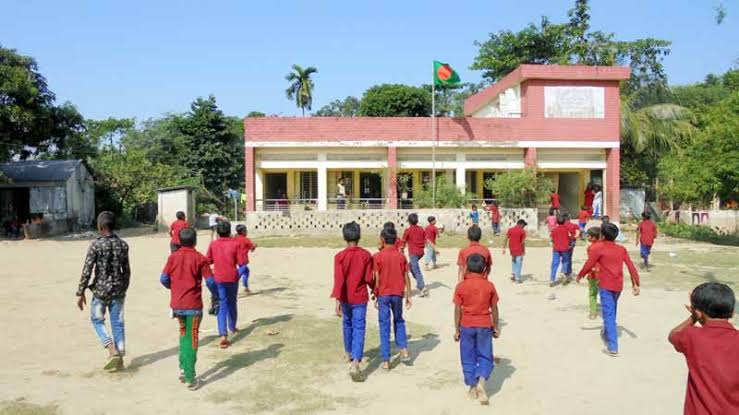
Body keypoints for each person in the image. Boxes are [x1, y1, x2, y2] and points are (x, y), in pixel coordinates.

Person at [159, 228, 217, 390]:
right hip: (193, 305)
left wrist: (174, 288)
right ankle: (190, 376)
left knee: (184, 334)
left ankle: (184, 368)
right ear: (195, 241)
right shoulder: (200, 258)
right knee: (192, 337)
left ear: (179, 241)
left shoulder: (173, 257)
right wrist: (217, 295)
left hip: (177, 304)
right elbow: (211, 282)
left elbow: (163, 278)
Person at [668, 283, 738, 414]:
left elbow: (673, 335)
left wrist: (693, 317)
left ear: (698, 312)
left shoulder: (693, 336)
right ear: (732, 313)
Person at [76, 211, 130, 371]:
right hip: (118, 290)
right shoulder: (123, 245)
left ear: (100, 227)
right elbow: (126, 271)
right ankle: (120, 359)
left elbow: (87, 270)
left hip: (100, 291)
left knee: (97, 320)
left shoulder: (96, 245)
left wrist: (80, 292)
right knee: (118, 324)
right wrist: (123, 288)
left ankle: (111, 349)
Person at [576, 223, 640, 356]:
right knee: (611, 309)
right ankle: (606, 333)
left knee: (609, 313)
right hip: (618, 286)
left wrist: (580, 275)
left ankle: (612, 346)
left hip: (605, 285)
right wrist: (636, 283)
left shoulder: (599, 249)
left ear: (602, 235)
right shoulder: (621, 249)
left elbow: (589, 264)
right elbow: (631, 266)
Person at [453, 254, 500, 406]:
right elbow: (494, 308)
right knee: (485, 354)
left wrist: (457, 329)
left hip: (466, 325)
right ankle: (481, 382)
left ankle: (472, 387)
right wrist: (496, 326)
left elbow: (457, 310)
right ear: (484, 269)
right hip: (484, 324)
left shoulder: (461, 286)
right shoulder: (489, 286)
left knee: (467, 356)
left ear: (466, 268)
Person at [331, 222, 374, 381]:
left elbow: (339, 280)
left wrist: (337, 300)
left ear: (344, 237)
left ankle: (348, 352)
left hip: (345, 297)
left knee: (347, 324)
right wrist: (375, 290)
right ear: (359, 236)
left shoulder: (339, 257)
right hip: (360, 297)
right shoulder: (366, 255)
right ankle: (355, 362)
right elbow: (369, 278)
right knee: (359, 327)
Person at [373, 227, 412, 370]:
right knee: (399, 320)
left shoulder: (377, 256)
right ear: (396, 240)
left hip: (383, 294)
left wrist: (375, 294)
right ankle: (403, 349)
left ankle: (386, 360)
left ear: (382, 239)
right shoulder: (401, 256)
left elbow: (376, 278)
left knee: (384, 324)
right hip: (397, 293)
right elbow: (406, 276)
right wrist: (408, 295)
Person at [206, 220, 247, 349]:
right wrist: (237, 275)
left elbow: (208, 261)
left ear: (218, 232)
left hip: (218, 278)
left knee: (222, 304)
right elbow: (243, 265)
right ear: (229, 231)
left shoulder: (213, 244)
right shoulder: (235, 244)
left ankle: (223, 334)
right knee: (232, 303)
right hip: (232, 278)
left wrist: (211, 275)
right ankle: (232, 327)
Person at [401, 213, 428, 297]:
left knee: (416, 270)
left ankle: (422, 287)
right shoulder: (421, 229)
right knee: (410, 267)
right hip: (421, 252)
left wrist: (401, 249)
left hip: (413, 253)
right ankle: (419, 283)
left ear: (409, 221)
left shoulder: (408, 230)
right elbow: (425, 239)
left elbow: (403, 241)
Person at [581, 227, 602, 320]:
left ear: (593, 237)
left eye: (588, 236)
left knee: (592, 293)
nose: (587, 237)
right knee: (604, 293)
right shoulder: (604, 245)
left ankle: (593, 312)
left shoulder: (590, 248)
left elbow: (591, 262)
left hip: (593, 273)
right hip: (604, 273)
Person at [502, 219, 527, 283]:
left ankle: (513, 274)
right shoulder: (522, 231)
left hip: (511, 249)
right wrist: (523, 251)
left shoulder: (510, 230)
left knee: (514, 261)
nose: (524, 226)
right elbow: (523, 242)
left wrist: (504, 248)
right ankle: (517, 278)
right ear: (521, 224)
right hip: (519, 249)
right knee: (519, 263)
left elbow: (505, 239)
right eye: (524, 225)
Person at [235, 224, 257, 294]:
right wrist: (255, 246)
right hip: (243, 259)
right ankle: (233, 282)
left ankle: (246, 287)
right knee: (239, 273)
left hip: (236, 259)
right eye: (246, 230)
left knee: (246, 271)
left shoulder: (235, 238)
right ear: (243, 231)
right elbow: (252, 249)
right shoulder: (246, 240)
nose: (247, 231)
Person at [549, 215, 570, 287]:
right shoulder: (567, 229)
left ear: (557, 222)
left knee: (554, 263)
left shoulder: (554, 230)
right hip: (565, 248)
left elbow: (551, 239)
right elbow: (570, 237)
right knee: (565, 261)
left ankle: (552, 279)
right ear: (564, 222)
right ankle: (563, 273)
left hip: (556, 248)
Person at [562, 213, 580, 280]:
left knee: (564, 257)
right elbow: (578, 233)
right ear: (569, 218)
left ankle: (565, 272)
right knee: (569, 257)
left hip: (564, 242)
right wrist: (574, 237)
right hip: (571, 242)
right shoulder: (574, 225)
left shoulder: (562, 225)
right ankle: (569, 272)